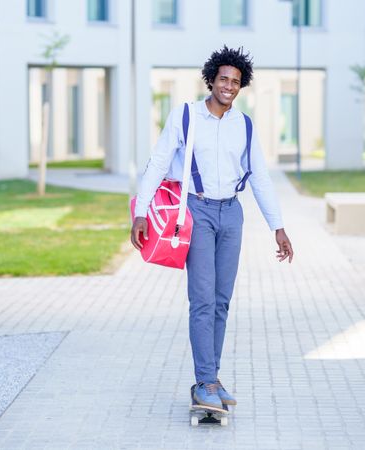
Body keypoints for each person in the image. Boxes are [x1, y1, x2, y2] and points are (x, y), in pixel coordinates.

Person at [130, 46, 294, 410]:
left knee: (221, 302)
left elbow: (261, 178)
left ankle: (211, 378)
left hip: (232, 215)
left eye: (236, 82)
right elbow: (157, 164)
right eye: (224, 79)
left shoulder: (245, 125)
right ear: (211, 79)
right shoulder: (185, 116)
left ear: (242, 86)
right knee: (202, 300)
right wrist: (140, 211)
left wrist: (277, 227)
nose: (229, 86)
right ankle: (205, 380)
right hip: (196, 213)